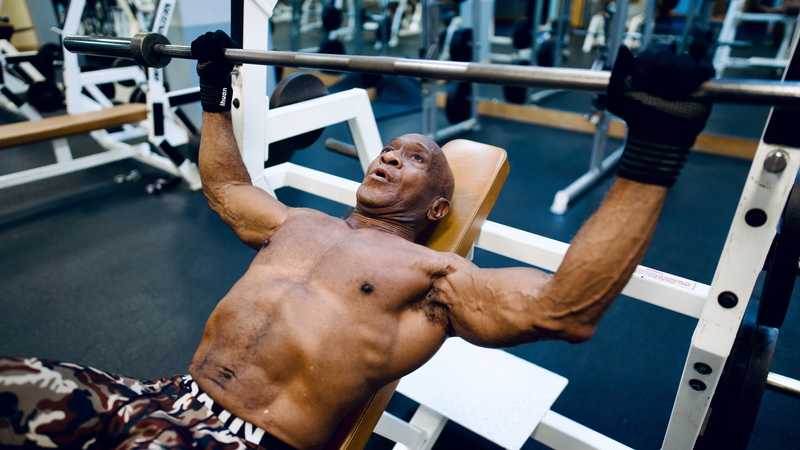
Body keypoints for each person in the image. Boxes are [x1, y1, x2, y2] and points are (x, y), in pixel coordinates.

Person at [0, 31, 714, 450]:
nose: (388, 156)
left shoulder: (433, 277)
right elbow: (225, 188)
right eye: (388, 150)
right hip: (157, 394)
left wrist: (653, 153)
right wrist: (214, 93)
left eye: (412, 159)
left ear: (438, 206)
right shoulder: (296, 224)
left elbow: (564, 310)